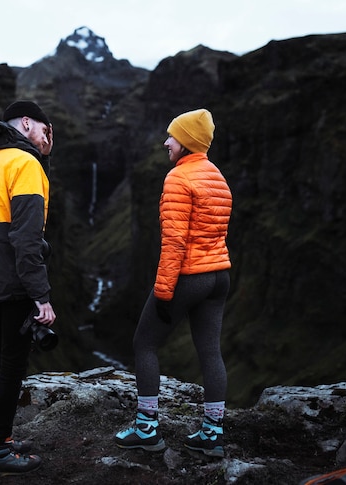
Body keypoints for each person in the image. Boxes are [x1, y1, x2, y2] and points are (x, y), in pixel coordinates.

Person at [114, 108, 232, 458]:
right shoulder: (217, 177)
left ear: (188, 143)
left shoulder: (178, 179)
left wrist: (164, 292)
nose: (167, 142)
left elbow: (175, 242)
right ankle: (212, 434)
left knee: (145, 344)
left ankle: (147, 430)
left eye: (173, 137)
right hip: (219, 275)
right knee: (211, 351)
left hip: (188, 276)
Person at [0, 100, 57, 476]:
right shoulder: (25, 165)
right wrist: (41, 296)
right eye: (44, 129)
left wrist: (43, 155)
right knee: (13, 365)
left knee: (3, 360)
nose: (47, 136)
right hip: (17, 280)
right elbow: (26, 239)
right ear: (26, 122)